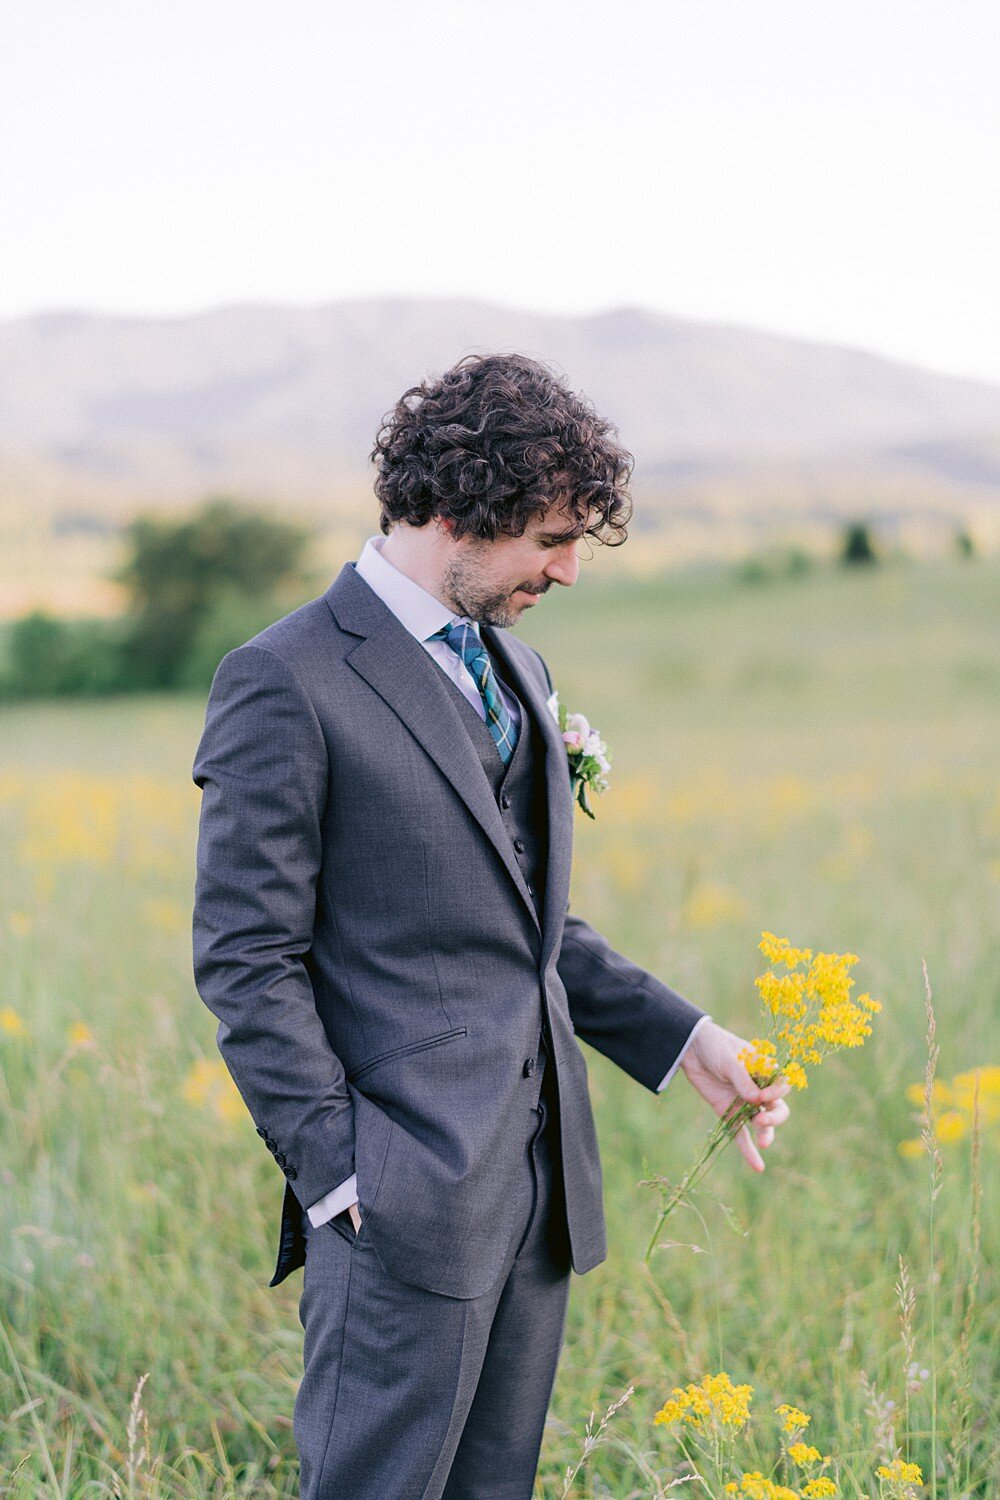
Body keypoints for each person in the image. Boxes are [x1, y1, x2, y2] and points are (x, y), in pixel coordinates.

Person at [191, 352, 791, 1499]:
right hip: (394, 1198)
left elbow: (525, 923)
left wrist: (684, 1039)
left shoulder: (516, 662)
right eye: (553, 540)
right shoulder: (286, 679)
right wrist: (340, 1177)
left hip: (537, 1192)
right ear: (462, 509)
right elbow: (246, 961)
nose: (568, 571)